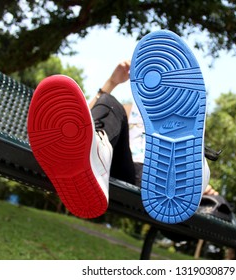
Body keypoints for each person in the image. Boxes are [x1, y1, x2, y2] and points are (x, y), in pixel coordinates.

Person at [27, 30, 215, 224]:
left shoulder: (185, 123)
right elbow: (78, 124)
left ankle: (188, 174)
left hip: (156, 176)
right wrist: (112, 82)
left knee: (179, 146)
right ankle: (94, 156)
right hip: (126, 169)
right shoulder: (124, 111)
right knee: (108, 103)